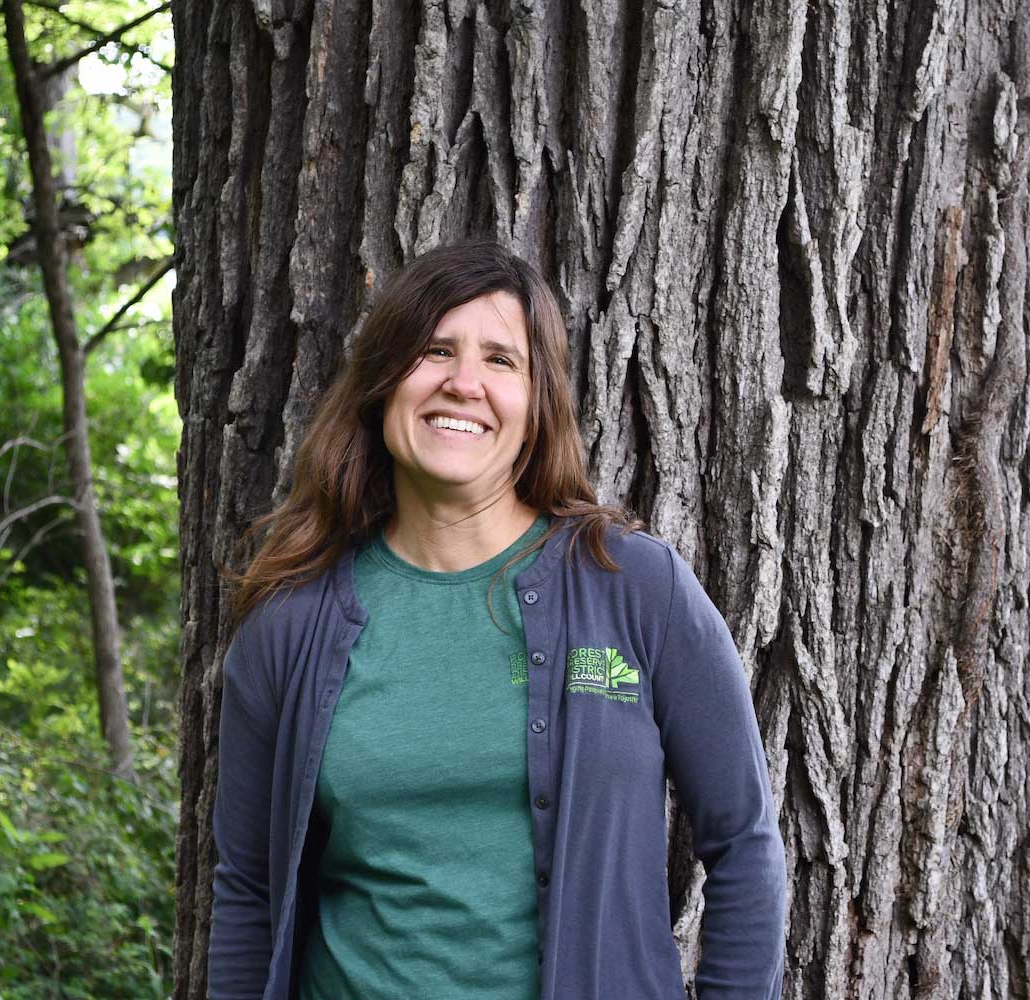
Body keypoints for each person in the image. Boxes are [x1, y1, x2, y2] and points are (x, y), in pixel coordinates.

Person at [207, 239, 787, 1000]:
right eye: (434, 350)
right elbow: (248, 889)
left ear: (537, 402)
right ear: (384, 384)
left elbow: (744, 845)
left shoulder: (633, 587)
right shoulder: (291, 624)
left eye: (501, 360)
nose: (464, 383)